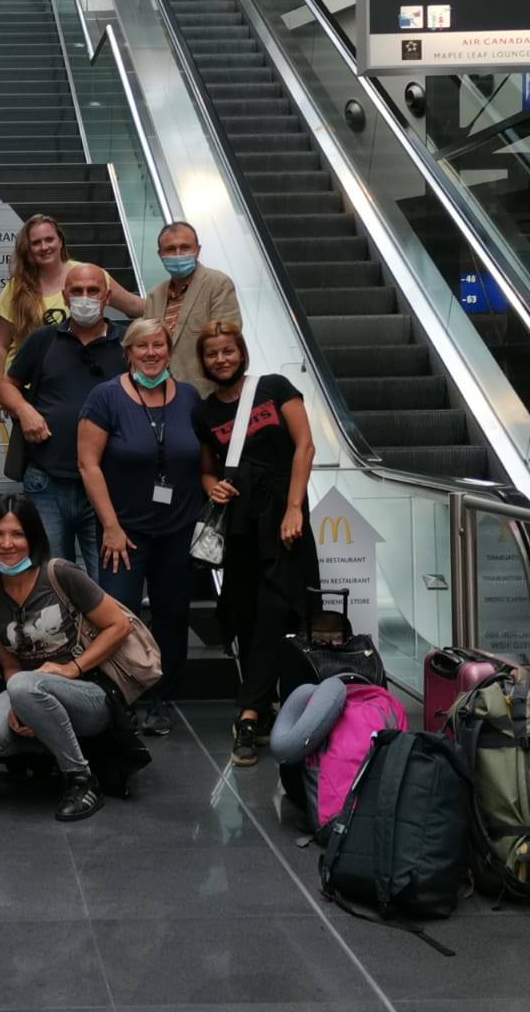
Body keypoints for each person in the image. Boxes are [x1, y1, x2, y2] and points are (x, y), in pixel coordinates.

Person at [193, 320, 320, 767]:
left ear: (241, 352)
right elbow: (206, 470)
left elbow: (305, 447)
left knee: (279, 608)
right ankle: (263, 708)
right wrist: (212, 487)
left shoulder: (274, 387)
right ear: (203, 360)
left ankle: (251, 712)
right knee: (246, 614)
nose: (221, 359)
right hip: (241, 524)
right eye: (212, 353)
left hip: (284, 517)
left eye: (228, 351)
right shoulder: (205, 412)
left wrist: (294, 508)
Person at [0, 494, 133, 822]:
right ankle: (58, 749)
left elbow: (120, 626)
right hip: (30, 690)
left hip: (88, 690)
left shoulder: (59, 573)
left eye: (17, 534)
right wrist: (21, 705)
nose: (7, 543)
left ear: (33, 538)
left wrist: (73, 668)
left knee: (24, 687)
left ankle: (82, 779)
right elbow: (10, 665)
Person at [76, 318, 204, 737]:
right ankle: (119, 698)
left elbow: (201, 458)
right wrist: (110, 526)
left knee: (172, 615)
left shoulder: (188, 396)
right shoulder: (105, 397)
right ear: (128, 352)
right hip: (124, 533)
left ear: (169, 350)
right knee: (120, 615)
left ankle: (162, 699)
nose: (151, 353)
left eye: (158, 345)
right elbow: (88, 465)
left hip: (178, 530)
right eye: (142, 346)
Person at [0, 264, 127, 581]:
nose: (85, 298)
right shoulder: (43, 339)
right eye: (77, 291)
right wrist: (24, 410)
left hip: (108, 485)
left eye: (93, 291)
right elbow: (7, 386)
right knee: (52, 580)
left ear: (107, 297)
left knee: (107, 581)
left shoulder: (127, 343)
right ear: (65, 297)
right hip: (47, 482)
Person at [0, 214, 144, 380]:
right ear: (28, 248)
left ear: (60, 241)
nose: (44, 247)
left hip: (74, 377)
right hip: (24, 383)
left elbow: (133, 305)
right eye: (36, 243)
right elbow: (1, 345)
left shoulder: (90, 275)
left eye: (49, 239)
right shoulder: (15, 288)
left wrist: (166, 303)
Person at [143, 222, 242, 395]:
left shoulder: (217, 284)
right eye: (170, 249)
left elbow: (227, 340)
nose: (178, 254)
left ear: (197, 250)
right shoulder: (154, 295)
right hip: (161, 394)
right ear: (160, 255)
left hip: (207, 393)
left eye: (185, 247)